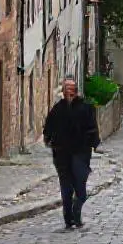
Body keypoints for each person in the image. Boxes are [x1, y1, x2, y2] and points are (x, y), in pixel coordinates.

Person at [42, 78, 100, 231]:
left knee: (80, 189)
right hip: (62, 154)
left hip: (80, 153)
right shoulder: (57, 109)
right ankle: (69, 220)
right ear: (63, 90)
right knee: (66, 189)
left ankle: (76, 211)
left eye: (71, 88)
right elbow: (48, 128)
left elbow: (93, 127)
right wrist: (49, 140)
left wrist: (93, 143)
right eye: (66, 88)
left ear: (76, 90)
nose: (69, 91)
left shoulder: (86, 108)